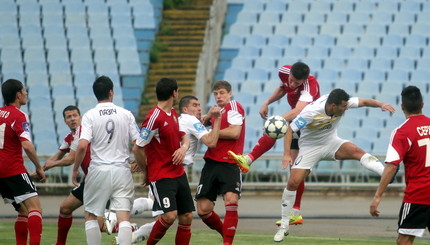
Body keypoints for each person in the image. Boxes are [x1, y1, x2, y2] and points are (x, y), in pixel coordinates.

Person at [276, 88, 396, 242]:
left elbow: (365, 101)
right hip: (309, 147)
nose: (346, 109)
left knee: (356, 151)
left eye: (346, 106)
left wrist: (382, 104)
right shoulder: (311, 112)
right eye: (343, 107)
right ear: (333, 106)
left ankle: (386, 173)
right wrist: (287, 154)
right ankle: (284, 226)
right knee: (293, 183)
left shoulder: (342, 102)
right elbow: (290, 129)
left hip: (331, 142)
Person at [228, 62, 320, 226]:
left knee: (295, 161)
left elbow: (299, 111)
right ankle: (248, 160)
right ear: (289, 73)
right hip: (296, 122)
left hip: (312, 123)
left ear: (304, 80)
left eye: (297, 83)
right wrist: (267, 102)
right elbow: (283, 88)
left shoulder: (310, 84)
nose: (292, 84)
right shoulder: (284, 71)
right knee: (293, 166)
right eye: (291, 79)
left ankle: (296, 212)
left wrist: (277, 120)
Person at [72, 76, 141, 245]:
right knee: (123, 216)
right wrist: (142, 165)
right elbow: (138, 144)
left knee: (91, 215)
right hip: (122, 170)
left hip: (98, 169)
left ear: (96, 94)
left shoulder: (89, 115)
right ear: (111, 92)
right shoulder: (126, 114)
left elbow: (82, 146)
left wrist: (75, 169)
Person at [132, 77, 194, 245]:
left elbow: (184, 137)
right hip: (162, 175)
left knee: (187, 216)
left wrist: (183, 148)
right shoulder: (154, 117)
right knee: (169, 215)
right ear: (174, 93)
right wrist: (147, 172)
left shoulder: (173, 113)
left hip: (178, 173)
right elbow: (138, 148)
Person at [370, 86, 430, 245]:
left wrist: (377, 196)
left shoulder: (402, 132)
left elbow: (391, 166)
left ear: (402, 107)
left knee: (404, 240)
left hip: (419, 194)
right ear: (422, 104)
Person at [43, 105, 110, 244]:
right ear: (65, 121)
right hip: (90, 180)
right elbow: (56, 156)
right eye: (69, 117)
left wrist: (52, 165)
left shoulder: (86, 130)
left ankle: (132, 229)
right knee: (65, 208)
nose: (72, 119)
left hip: (99, 178)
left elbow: (70, 159)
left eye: (75, 115)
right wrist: (39, 170)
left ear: (80, 117)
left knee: (97, 223)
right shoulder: (69, 138)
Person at [195, 80, 246, 245]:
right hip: (211, 161)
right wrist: (209, 117)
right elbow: (200, 124)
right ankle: (226, 235)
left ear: (230, 93)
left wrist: (211, 132)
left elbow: (235, 132)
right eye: (216, 93)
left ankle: (227, 243)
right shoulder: (218, 111)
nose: (218, 96)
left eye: (222, 92)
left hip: (230, 161)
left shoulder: (233, 107)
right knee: (203, 209)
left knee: (231, 199)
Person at [0, 79, 46, 245]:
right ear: (18, 95)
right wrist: (39, 167)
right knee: (35, 209)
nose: (26, 93)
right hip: (13, 169)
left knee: (23, 211)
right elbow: (27, 145)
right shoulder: (19, 115)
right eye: (24, 91)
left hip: (1, 172)